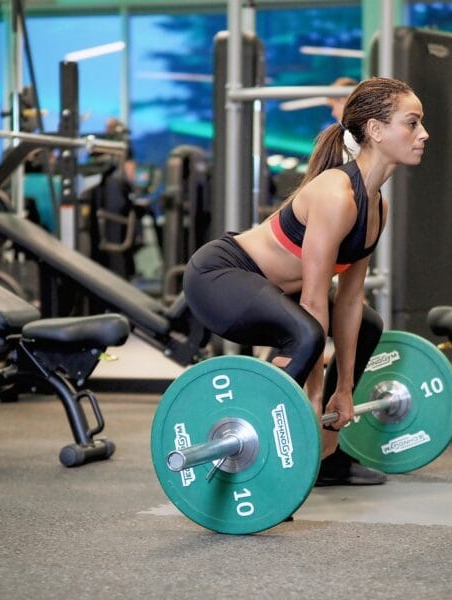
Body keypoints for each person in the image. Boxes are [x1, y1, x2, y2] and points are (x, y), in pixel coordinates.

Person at [183, 77, 429, 486]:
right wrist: (314, 400)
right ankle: (253, 454)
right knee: (307, 333)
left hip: (280, 290)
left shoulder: (375, 206)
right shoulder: (337, 194)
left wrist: (343, 393)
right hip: (222, 277)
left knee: (369, 324)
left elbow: (349, 303)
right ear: (376, 130)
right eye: (412, 122)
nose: (423, 134)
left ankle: (325, 459)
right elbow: (314, 304)